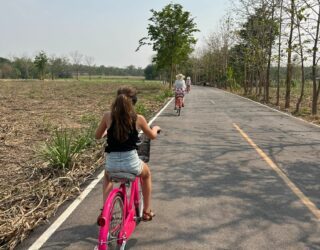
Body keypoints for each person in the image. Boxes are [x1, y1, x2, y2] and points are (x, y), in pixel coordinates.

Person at [95, 86, 161, 221]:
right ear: (134, 101)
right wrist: (155, 128)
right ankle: (147, 211)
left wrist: (107, 131)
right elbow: (152, 136)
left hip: (112, 163)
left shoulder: (108, 116)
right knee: (147, 174)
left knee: (107, 177)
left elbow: (97, 135)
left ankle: (105, 211)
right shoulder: (138, 118)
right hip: (131, 163)